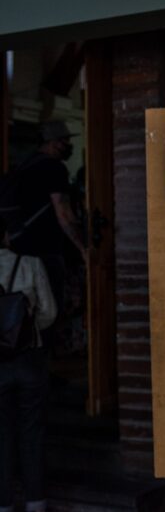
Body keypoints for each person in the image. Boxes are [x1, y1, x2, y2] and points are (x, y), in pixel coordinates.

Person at [10, 120, 87, 347]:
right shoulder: (53, 168)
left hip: (19, 250)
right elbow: (63, 212)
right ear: (54, 143)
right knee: (50, 310)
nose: (68, 145)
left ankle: (27, 367)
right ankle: (41, 370)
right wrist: (83, 247)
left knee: (26, 310)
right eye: (65, 141)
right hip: (46, 250)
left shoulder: (24, 166)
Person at [0, 216, 57, 512]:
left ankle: (4, 503)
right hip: (28, 358)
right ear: (6, 235)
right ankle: (36, 501)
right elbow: (49, 313)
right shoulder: (30, 264)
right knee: (32, 431)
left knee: (1, 434)